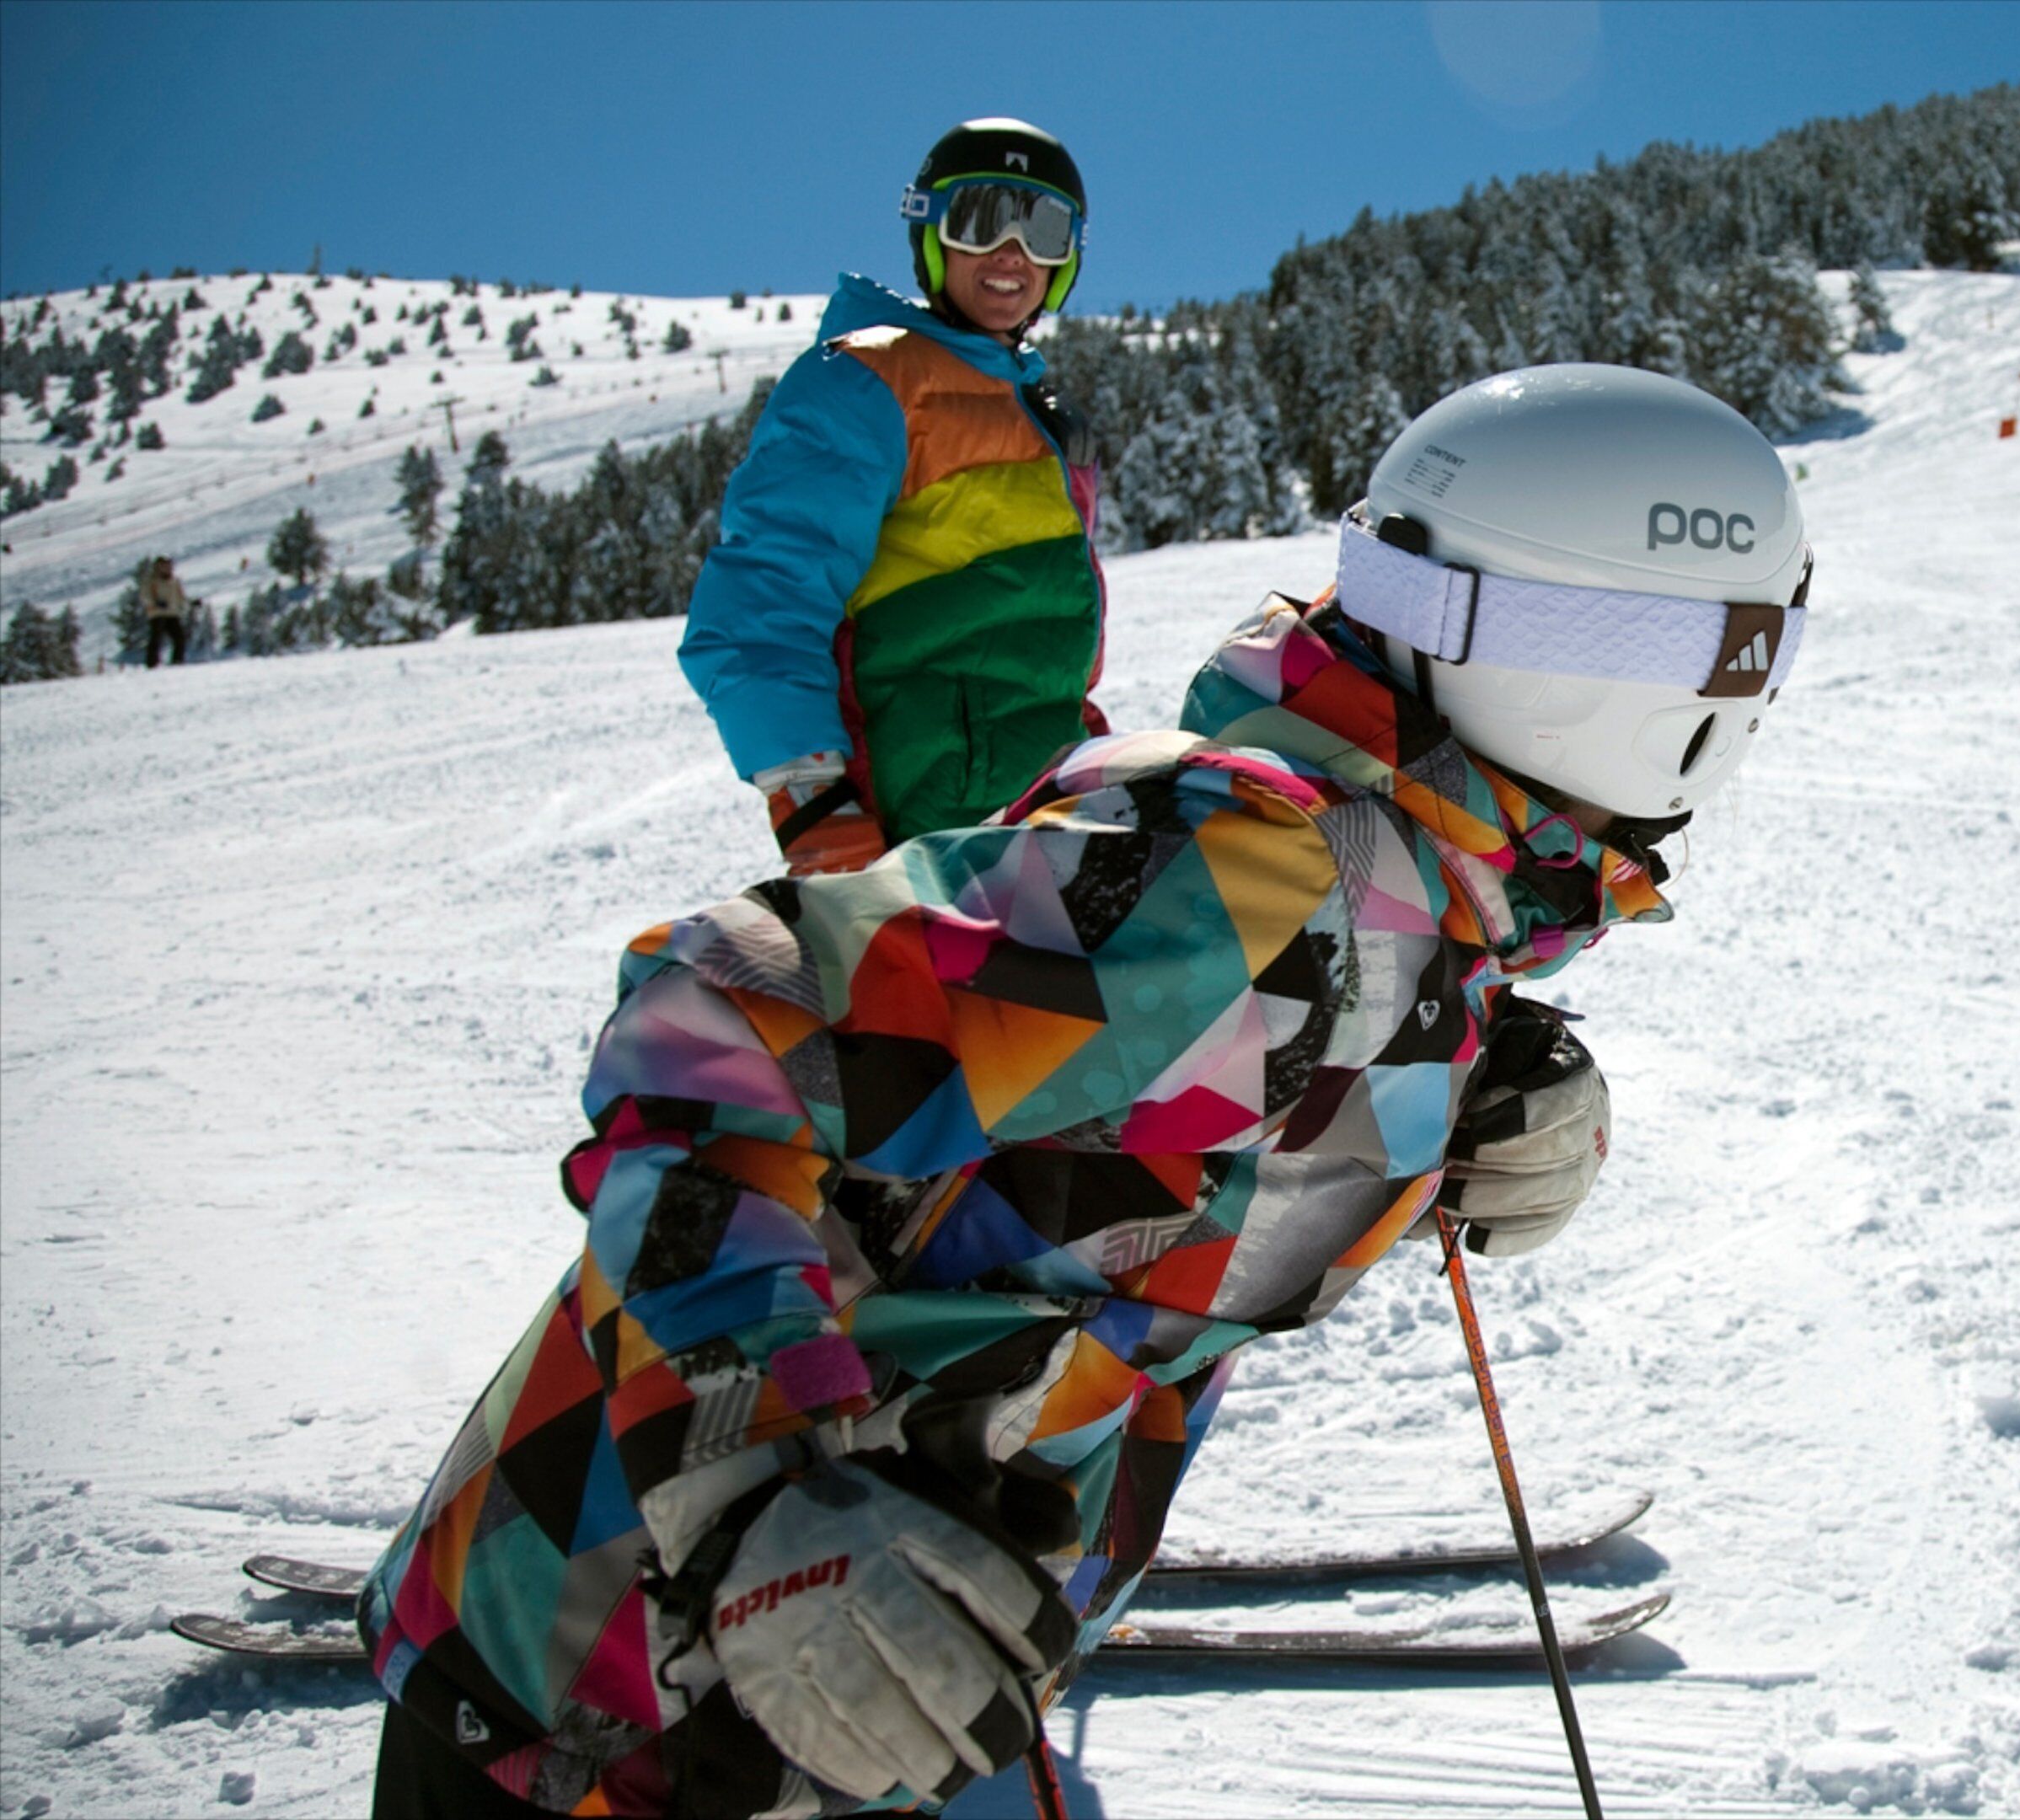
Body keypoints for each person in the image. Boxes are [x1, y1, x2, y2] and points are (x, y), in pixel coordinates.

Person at [357, 365, 1811, 1817]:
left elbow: (1140, 1123)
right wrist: (758, 1497)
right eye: (1740, 656)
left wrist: (1478, 1081)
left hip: (854, 1686)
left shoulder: (1416, 894)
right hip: (622, 1680)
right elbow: (711, 1021)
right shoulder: (1257, 887)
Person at [678, 118, 1108, 879]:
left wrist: (1085, 742)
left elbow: (1043, 632)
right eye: (982, 219)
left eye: (1043, 227)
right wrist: (810, 799)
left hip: (1045, 811)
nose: (1013, 252)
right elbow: (760, 602)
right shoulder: (865, 382)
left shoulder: (1041, 415)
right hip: (916, 832)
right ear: (933, 233)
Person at [137, 555, 190, 667]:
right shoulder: (151, 580)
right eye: (164, 566)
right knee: (156, 637)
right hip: (158, 613)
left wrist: (191, 603)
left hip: (172, 613)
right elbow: (145, 595)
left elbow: (181, 596)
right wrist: (155, 603)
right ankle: (152, 663)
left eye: (169, 565)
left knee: (179, 638)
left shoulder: (174, 581)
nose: (167, 568)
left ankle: (177, 661)